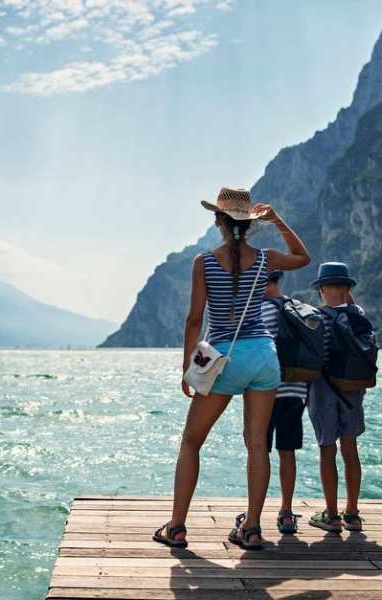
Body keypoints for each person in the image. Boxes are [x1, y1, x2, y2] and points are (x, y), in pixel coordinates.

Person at [153, 187, 310, 551]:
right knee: (257, 445)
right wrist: (279, 221)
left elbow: (195, 319)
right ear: (250, 224)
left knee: (192, 441)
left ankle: (176, 527)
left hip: (222, 358)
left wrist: (186, 366)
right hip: (263, 357)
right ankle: (251, 528)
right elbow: (302, 258)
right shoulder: (267, 259)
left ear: (218, 221)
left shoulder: (204, 262)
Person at [304, 262, 367, 533]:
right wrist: (347, 298)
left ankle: (331, 515)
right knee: (350, 449)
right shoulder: (358, 315)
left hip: (323, 390)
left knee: (327, 450)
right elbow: (351, 307)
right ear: (346, 288)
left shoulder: (314, 319)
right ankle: (352, 513)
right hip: (353, 390)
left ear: (320, 290)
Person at [259, 271, 309, 534]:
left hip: (265, 392)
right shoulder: (297, 308)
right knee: (287, 452)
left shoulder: (260, 312)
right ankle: (286, 512)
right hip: (296, 391)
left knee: (259, 451)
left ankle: (253, 512)